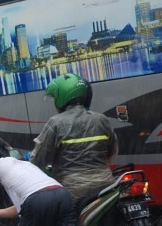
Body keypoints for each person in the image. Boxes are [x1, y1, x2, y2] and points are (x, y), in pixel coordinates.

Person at [31, 73, 118, 204]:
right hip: (106, 186)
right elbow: (112, 152)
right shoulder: (101, 119)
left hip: (74, 192)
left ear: (62, 97)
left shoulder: (56, 123)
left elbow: (38, 160)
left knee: (58, 219)